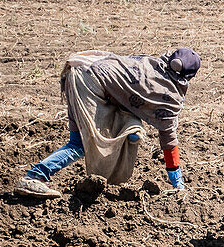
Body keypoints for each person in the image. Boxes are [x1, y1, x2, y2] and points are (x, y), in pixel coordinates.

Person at [14, 48, 200, 198]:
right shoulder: (167, 95)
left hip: (79, 71)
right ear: (188, 77)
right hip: (88, 82)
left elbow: (123, 96)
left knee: (78, 141)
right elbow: (169, 141)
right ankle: (35, 176)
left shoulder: (147, 63)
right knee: (80, 144)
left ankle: (37, 175)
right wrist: (177, 182)